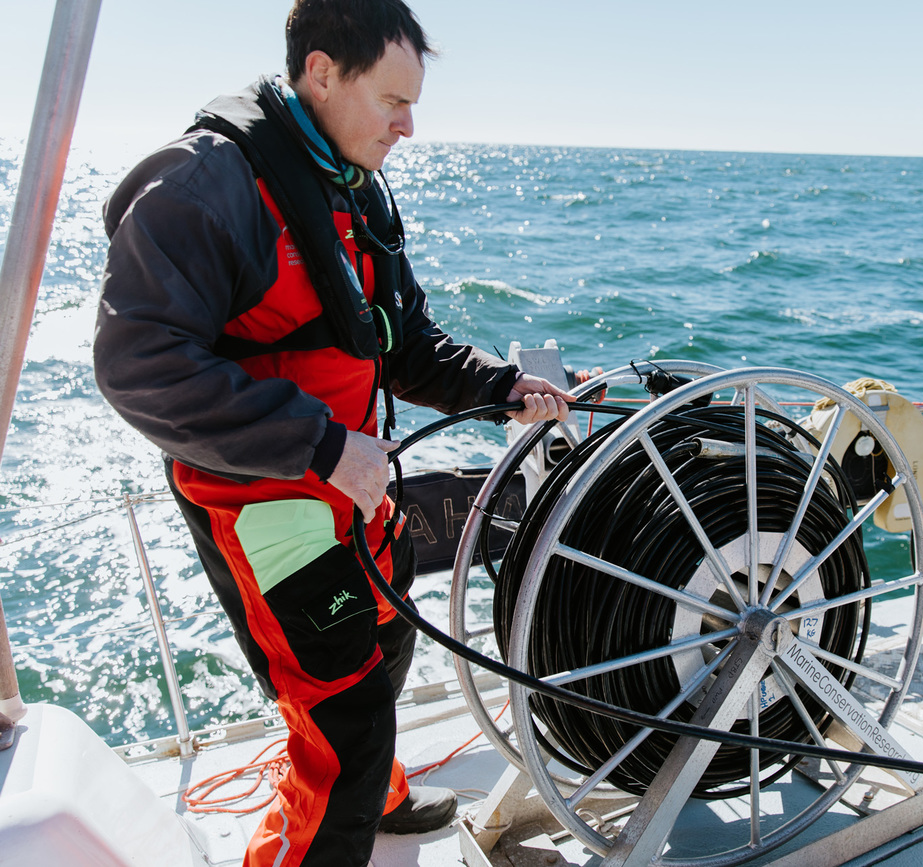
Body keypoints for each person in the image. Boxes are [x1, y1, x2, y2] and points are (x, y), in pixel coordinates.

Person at [93, 2, 572, 864]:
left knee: (387, 641)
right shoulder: (204, 184)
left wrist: (501, 386)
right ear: (321, 73)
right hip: (269, 499)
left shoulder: (355, 187)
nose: (409, 125)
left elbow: (403, 344)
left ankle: (377, 799)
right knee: (342, 716)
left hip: (354, 480)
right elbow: (138, 364)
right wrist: (321, 448)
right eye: (393, 99)